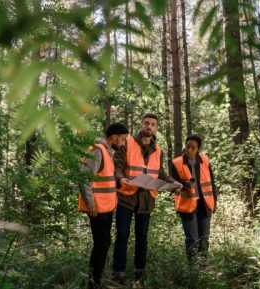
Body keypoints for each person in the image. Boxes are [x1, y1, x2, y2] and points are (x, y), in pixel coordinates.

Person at [112, 113, 182, 287]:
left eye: (152, 124)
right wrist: (120, 179)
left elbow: (159, 172)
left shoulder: (158, 149)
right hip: (126, 197)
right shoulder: (127, 142)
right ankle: (118, 273)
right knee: (122, 235)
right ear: (141, 125)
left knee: (142, 237)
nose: (149, 127)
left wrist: (173, 182)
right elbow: (117, 167)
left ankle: (139, 273)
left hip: (146, 199)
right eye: (146, 123)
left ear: (156, 128)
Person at [78, 123, 129, 289]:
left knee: (104, 243)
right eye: (122, 140)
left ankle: (96, 281)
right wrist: (90, 204)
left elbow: (105, 179)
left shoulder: (107, 152)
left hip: (106, 207)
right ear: (114, 137)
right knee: (102, 244)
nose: (122, 143)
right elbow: (84, 178)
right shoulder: (98, 150)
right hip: (97, 208)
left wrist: (121, 183)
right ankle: (93, 283)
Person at [171, 135, 218, 268]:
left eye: (193, 147)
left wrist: (215, 202)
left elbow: (212, 183)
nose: (190, 150)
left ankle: (204, 265)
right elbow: (172, 183)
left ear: (198, 148)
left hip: (205, 204)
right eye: (187, 147)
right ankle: (193, 268)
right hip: (187, 206)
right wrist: (185, 185)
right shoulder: (177, 162)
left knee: (204, 237)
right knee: (192, 239)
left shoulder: (205, 160)